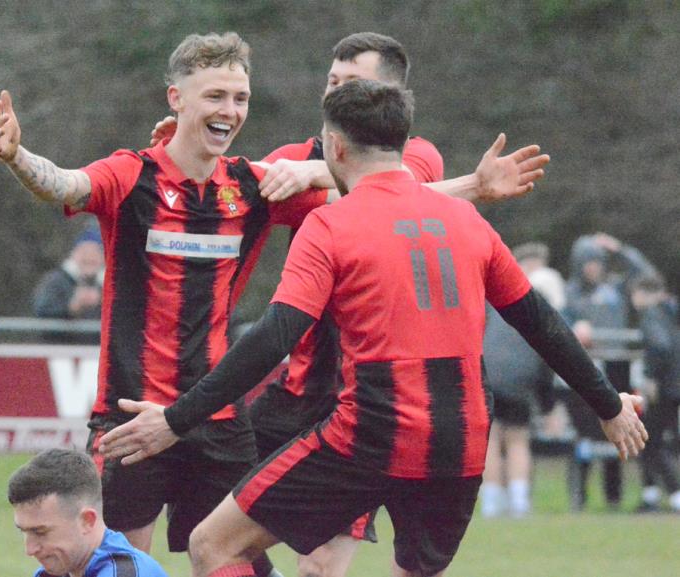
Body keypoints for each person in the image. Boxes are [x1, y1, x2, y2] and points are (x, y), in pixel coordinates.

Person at [99, 80, 647, 577]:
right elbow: (541, 323)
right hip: (460, 443)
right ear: (402, 145)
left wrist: (176, 419)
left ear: (334, 148)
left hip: (370, 435)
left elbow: (274, 336)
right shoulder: (467, 221)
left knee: (212, 546)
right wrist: (609, 407)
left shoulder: (331, 224)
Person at [151, 30, 552, 577]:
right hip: (294, 394)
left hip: (368, 404)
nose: (335, 92)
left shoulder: (417, 156)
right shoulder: (290, 160)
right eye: (332, 81)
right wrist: (186, 150)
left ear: (391, 99)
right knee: (213, 528)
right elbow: (220, 187)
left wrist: (320, 173)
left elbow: (393, 188)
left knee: (318, 565)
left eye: (353, 83)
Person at [0, 32, 335, 577]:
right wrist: (17, 157)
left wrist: (474, 185)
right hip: (129, 415)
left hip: (217, 416)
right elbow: (66, 184)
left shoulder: (254, 186)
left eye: (240, 98)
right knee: (117, 563)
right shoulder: (132, 174)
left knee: (235, 562)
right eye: (215, 96)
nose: (230, 110)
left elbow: (379, 193)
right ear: (176, 98)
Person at [563, 232, 657, 510]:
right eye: (588, 261)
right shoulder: (570, 293)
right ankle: (578, 497)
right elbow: (555, 321)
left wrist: (620, 249)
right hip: (584, 376)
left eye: (598, 261)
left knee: (618, 430)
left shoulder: (615, 289)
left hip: (618, 371)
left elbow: (647, 277)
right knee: (583, 437)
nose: (594, 267)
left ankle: (613, 498)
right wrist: (575, 326)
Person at [480, 243, 563, 518]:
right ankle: (518, 500)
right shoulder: (536, 306)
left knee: (491, 440)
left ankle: (491, 502)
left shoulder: (492, 300)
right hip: (520, 380)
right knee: (517, 440)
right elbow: (545, 362)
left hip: (489, 375)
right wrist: (548, 406)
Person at [8, 449, 169, 577]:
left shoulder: (125, 573)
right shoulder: (53, 573)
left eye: (40, 532)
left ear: (87, 521)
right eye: (24, 531)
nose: (29, 549)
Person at [629, 274, 680, 513]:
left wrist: (650, 376)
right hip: (674, 386)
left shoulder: (651, 315)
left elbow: (660, 346)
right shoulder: (670, 312)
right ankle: (650, 495)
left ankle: (673, 493)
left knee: (650, 440)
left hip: (663, 387)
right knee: (657, 440)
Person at [33, 223, 105, 320]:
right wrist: (71, 307)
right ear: (74, 254)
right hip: (64, 336)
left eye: (96, 252)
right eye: (84, 252)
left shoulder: (113, 285)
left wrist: (102, 302)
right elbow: (41, 310)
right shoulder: (56, 281)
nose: (90, 256)